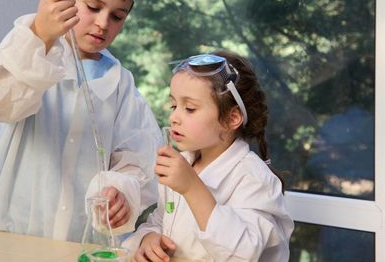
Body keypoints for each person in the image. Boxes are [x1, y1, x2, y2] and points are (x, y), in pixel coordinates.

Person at [0, 0, 160, 242]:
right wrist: (40, 34)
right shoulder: (32, 47)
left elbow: (136, 162)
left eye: (117, 16)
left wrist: (122, 193)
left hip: (78, 243)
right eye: (93, 7)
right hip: (9, 235)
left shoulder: (120, 84)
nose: (102, 24)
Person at [123, 51, 294, 261]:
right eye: (174, 105)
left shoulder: (253, 179)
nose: (174, 117)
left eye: (190, 108)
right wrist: (148, 238)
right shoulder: (184, 163)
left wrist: (192, 188)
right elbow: (161, 220)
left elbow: (243, 253)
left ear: (232, 119)